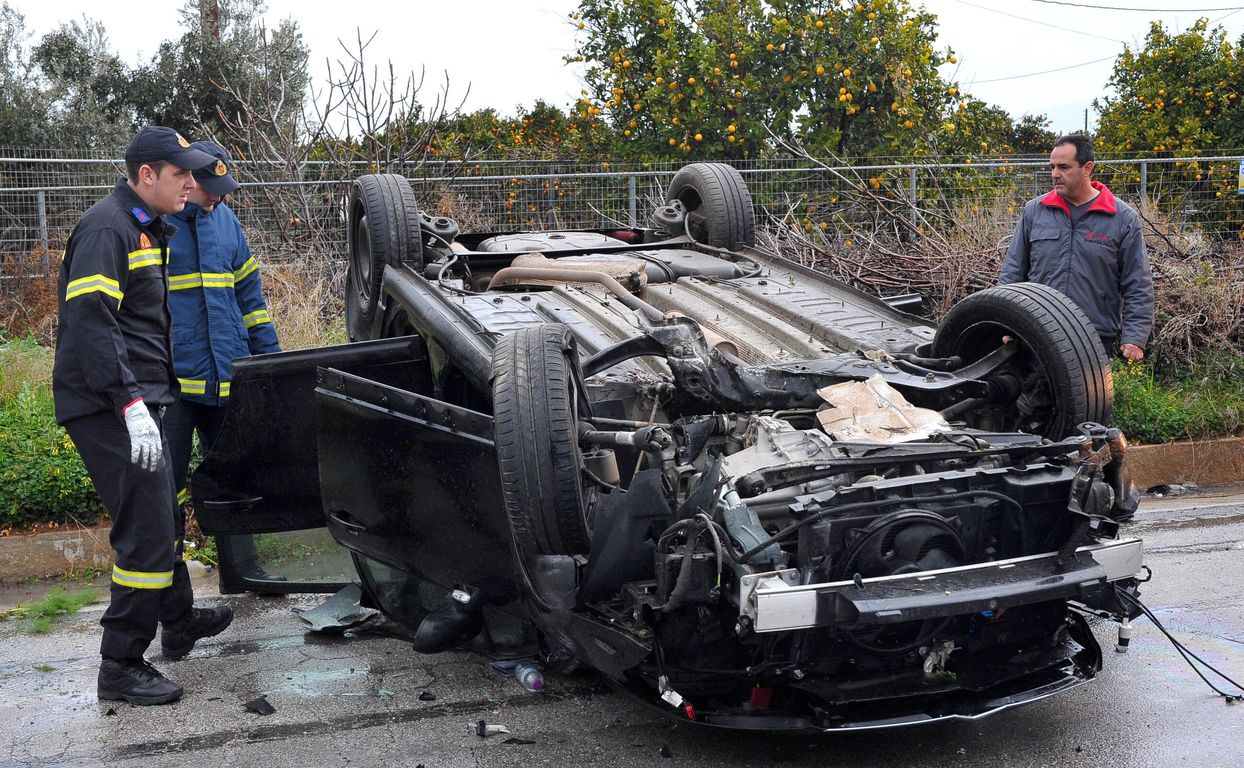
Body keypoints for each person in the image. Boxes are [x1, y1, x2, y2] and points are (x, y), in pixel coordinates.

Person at [53, 126, 234, 706]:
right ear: (147, 175)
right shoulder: (108, 229)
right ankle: (121, 662)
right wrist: (130, 403)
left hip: (140, 397)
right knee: (147, 531)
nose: (191, 183)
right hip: (110, 406)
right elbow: (91, 325)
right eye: (181, 174)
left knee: (161, 517)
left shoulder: (143, 227)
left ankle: (177, 622)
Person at [165, 141, 281, 579]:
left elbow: (252, 301)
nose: (217, 196)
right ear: (187, 180)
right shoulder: (156, 226)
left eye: (222, 187)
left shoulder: (226, 222)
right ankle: (171, 581)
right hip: (173, 386)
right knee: (167, 489)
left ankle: (244, 573)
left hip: (225, 378)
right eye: (210, 187)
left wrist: (269, 365)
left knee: (233, 476)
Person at [1000, 134, 1154, 360]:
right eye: (1052, 167)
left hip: (1093, 337)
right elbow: (1013, 270)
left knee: (1091, 397)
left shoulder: (1122, 218)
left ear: (1087, 168)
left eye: (1063, 167)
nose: (1054, 174)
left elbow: (1137, 283)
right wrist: (1006, 321)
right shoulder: (1035, 211)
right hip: (1036, 329)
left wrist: (1134, 337)